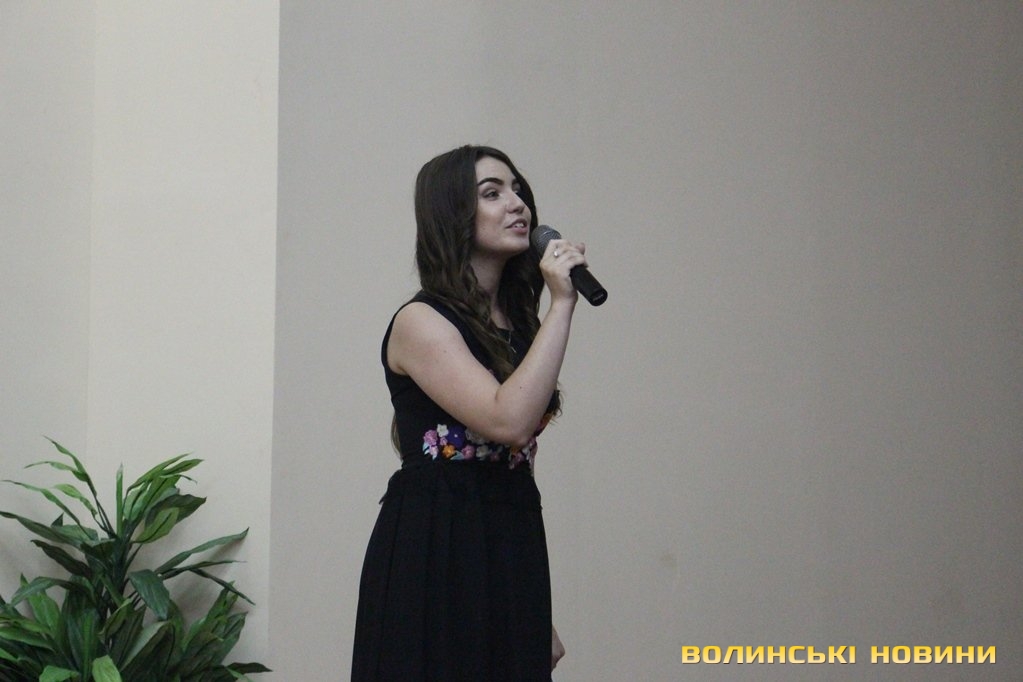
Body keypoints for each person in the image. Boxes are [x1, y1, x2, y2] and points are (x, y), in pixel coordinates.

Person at [351, 145, 583, 681]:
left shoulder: (518, 325)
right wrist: (563, 304)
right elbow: (508, 421)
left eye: (518, 189)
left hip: (510, 535)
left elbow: (514, 454)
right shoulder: (420, 321)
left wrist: (533, 608)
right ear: (453, 214)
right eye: (492, 193)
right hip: (437, 544)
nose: (517, 203)